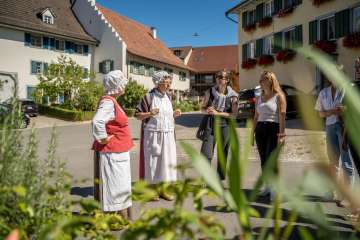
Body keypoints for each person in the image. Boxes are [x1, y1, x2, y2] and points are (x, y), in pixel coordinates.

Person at [92, 70, 133, 219]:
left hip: (118, 150)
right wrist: (102, 138)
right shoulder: (108, 102)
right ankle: (113, 217)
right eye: (123, 84)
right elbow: (97, 120)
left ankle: (118, 216)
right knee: (115, 184)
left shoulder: (112, 101)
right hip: (113, 151)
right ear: (117, 85)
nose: (125, 86)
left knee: (119, 183)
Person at [135, 71, 181, 201]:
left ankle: (163, 190)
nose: (169, 85)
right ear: (158, 82)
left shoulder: (169, 97)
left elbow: (166, 116)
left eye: (169, 83)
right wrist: (149, 113)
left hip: (168, 135)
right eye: (166, 83)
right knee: (153, 163)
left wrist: (174, 114)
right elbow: (137, 115)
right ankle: (151, 191)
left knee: (166, 163)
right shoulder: (148, 97)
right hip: (152, 135)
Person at [314, 78, 354, 204]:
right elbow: (320, 114)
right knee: (333, 161)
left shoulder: (348, 90)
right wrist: (332, 111)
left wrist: (344, 109)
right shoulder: (324, 93)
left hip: (344, 128)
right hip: (330, 126)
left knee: (346, 162)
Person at [199, 70, 238, 180]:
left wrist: (218, 113)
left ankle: (219, 177)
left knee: (222, 153)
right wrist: (207, 110)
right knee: (206, 153)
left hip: (225, 126)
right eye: (218, 77)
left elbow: (234, 115)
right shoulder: (209, 92)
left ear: (227, 80)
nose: (220, 79)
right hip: (210, 125)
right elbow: (202, 109)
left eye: (223, 77)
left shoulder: (233, 96)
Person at [253, 71, 286, 198]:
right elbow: (256, 116)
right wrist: (252, 133)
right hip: (260, 129)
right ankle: (268, 186)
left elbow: (282, 116)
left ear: (270, 81)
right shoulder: (259, 97)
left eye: (263, 80)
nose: (260, 82)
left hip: (274, 129)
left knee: (271, 160)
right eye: (260, 80)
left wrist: (282, 135)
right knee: (263, 161)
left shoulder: (279, 96)